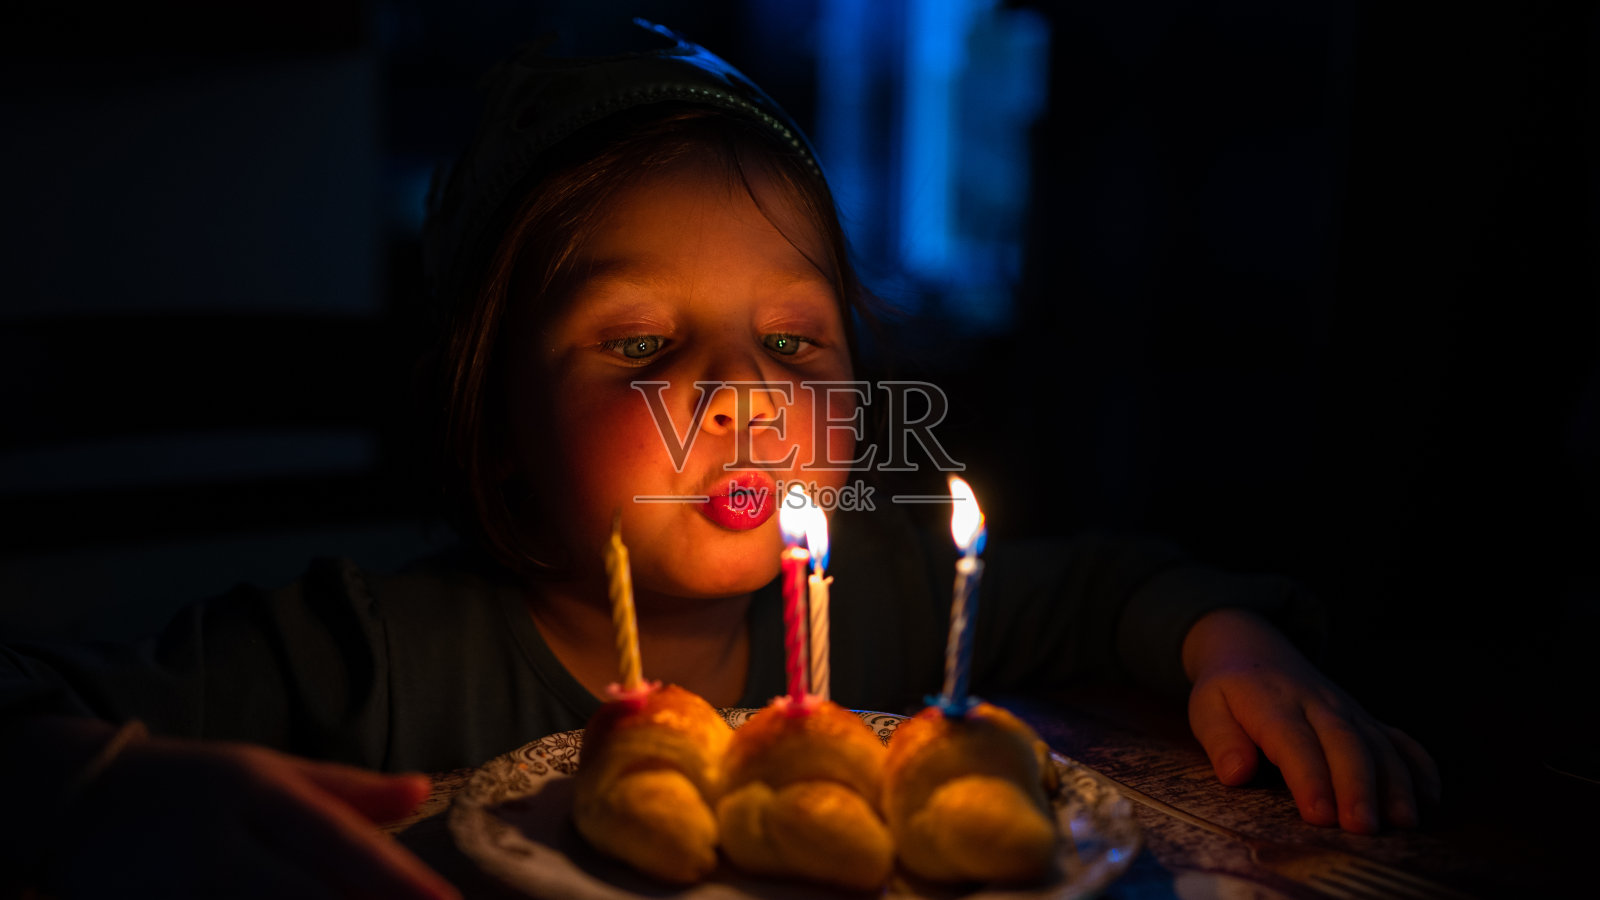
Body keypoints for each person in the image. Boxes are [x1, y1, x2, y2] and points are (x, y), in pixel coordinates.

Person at [0, 20, 1439, 899]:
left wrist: (1227, 642)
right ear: (496, 426)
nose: (745, 396)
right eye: (641, 345)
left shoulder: (890, 598)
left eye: (794, 341)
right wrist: (99, 788)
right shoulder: (364, 658)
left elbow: (1109, 590)